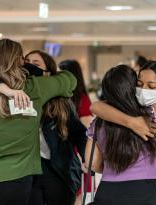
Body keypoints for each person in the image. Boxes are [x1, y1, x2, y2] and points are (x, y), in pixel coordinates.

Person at [85, 61, 156, 205]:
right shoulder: (154, 115)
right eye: (139, 84)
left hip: (107, 192)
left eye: (150, 86)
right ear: (132, 89)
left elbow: (92, 163)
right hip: (145, 193)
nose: (143, 89)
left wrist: (113, 169)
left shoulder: (99, 122)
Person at [0, 49, 87, 205]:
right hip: (25, 170)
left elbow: (79, 133)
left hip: (56, 169)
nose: (28, 68)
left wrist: (87, 158)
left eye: (35, 64)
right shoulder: (13, 97)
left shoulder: (60, 104)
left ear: (47, 73)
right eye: (25, 63)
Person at [59, 59, 93, 205]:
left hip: (78, 156)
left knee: (77, 196)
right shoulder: (60, 97)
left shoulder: (83, 100)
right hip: (63, 154)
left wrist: (82, 159)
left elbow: (84, 133)